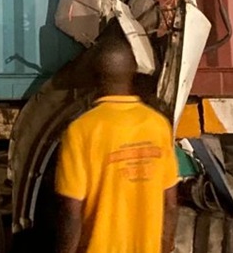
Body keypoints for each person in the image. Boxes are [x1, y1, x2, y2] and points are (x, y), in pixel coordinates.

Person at [54, 26, 179, 253]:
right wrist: (165, 246)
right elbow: (170, 205)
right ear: (133, 72)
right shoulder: (158, 125)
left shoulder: (81, 130)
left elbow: (72, 212)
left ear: (95, 77)